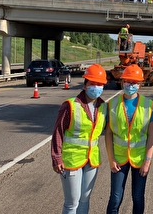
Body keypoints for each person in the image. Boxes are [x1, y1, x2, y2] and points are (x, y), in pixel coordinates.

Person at [51, 63, 108, 214]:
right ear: (85, 85)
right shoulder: (70, 105)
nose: (96, 87)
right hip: (72, 160)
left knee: (85, 199)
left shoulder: (103, 107)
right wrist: (56, 158)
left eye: (100, 84)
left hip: (91, 159)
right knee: (72, 202)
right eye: (93, 83)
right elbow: (58, 132)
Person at [106, 64, 153, 214]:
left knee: (138, 197)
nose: (131, 85)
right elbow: (108, 134)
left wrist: (147, 162)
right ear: (123, 82)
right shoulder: (112, 104)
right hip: (118, 159)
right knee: (115, 198)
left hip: (140, 159)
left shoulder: (148, 105)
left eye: (134, 82)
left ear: (140, 84)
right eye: (128, 81)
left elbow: (151, 138)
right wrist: (111, 159)